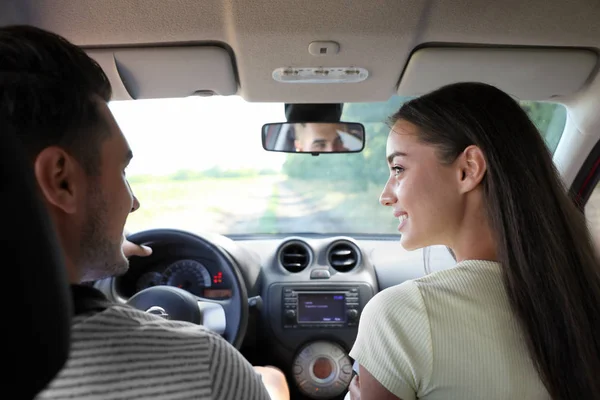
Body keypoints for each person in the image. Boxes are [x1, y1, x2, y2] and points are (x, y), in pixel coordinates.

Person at [0, 25, 289, 400]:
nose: (133, 202)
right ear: (62, 180)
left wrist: (82, 250)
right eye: (121, 171)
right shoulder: (204, 364)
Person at [347, 82, 600, 400]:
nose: (385, 195)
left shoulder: (399, 315)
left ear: (469, 169)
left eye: (398, 168)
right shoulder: (583, 295)